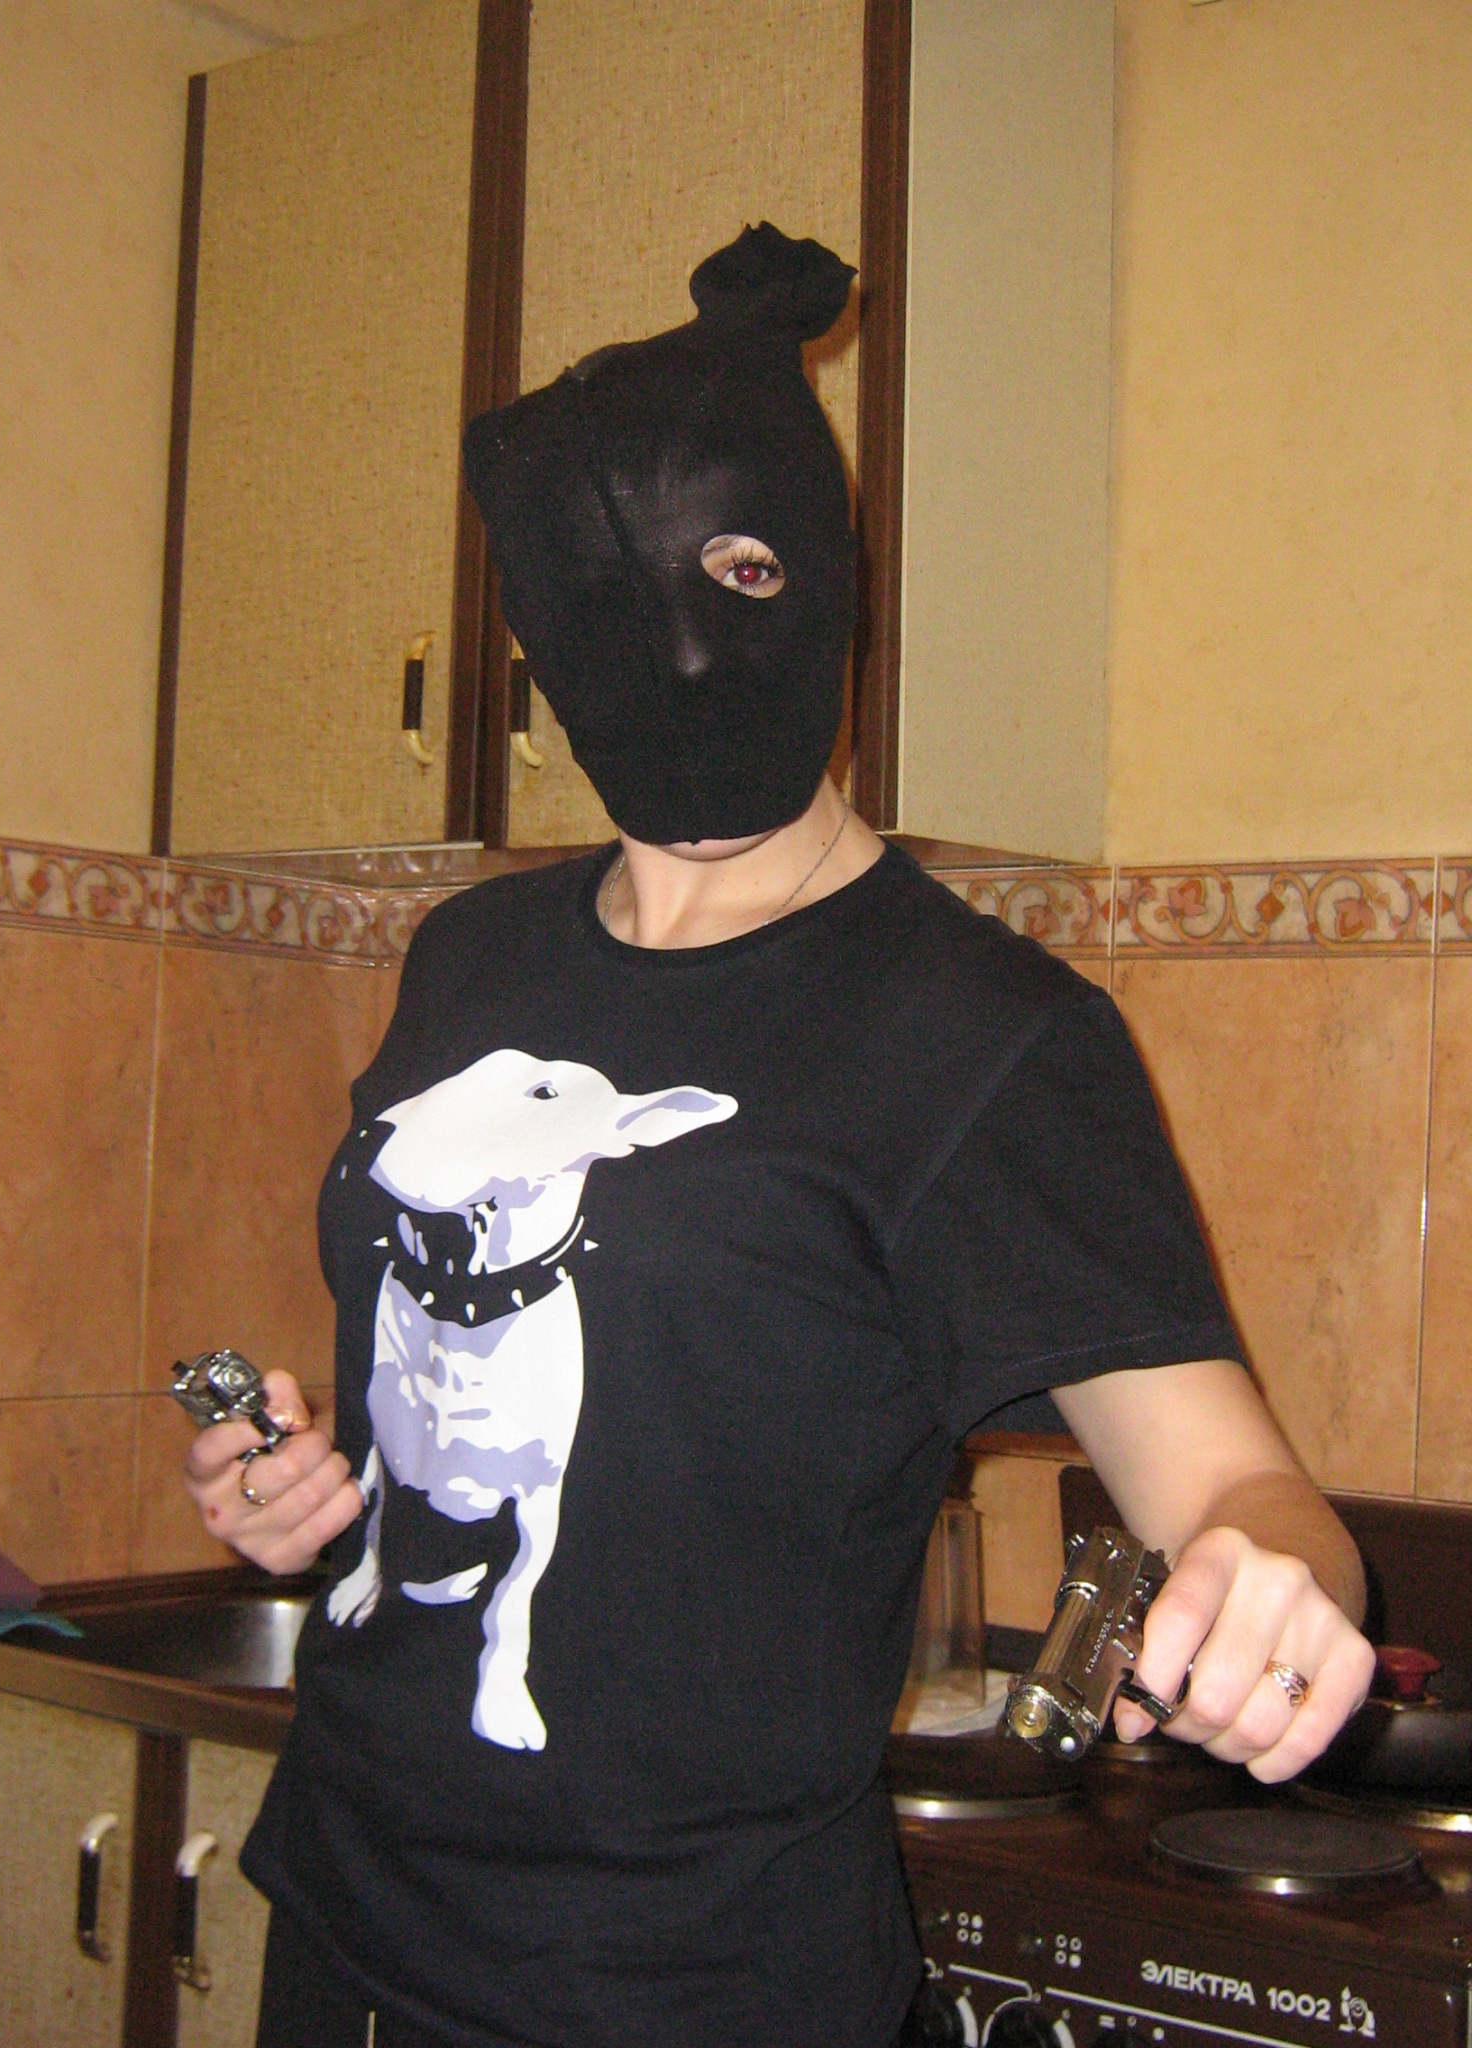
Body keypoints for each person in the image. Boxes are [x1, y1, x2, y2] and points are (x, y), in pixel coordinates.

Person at [184, 224, 1374, 2048]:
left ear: (827, 579)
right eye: (595, 598)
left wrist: (1278, 1586)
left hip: (694, 1987)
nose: (675, 647)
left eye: (736, 570)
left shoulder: (985, 1032)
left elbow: (1237, 1489)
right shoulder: (472, 954)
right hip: (346, 1916)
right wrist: (310, 1486)